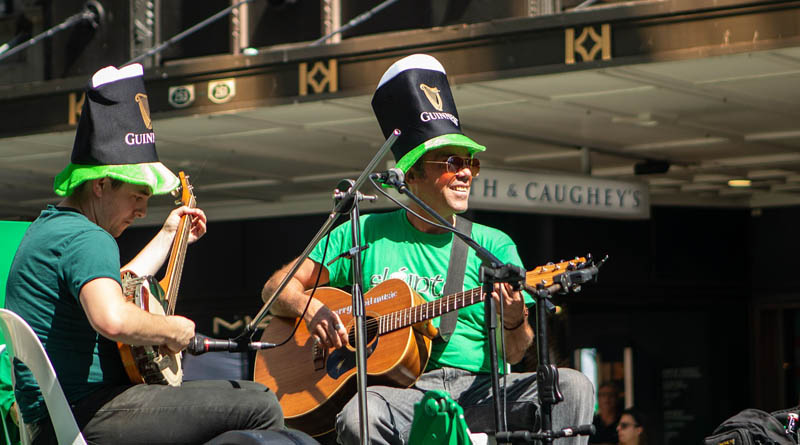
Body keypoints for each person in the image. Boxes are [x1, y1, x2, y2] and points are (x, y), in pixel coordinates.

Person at [262, 54, 594, 445]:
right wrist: (311, 307)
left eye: (470, 162)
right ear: (413, 174)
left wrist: (511, 317)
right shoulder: (362, 230)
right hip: (406, 392)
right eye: (452, 162)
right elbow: (275, 289)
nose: (466, 172)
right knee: (358, 416)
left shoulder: (493, 244)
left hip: (482, 389)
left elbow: (518, 351)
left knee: (572, 386)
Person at [5, 64, 284, 444]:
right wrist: (174, 328)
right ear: (101, 185)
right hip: (90, 413)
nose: (141, 211)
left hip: (52, 422)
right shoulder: (89, 238)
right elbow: (113, 319)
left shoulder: (50, 228)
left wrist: (170, 235)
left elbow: (115, 287)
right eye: (137, 196)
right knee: (259, 403)